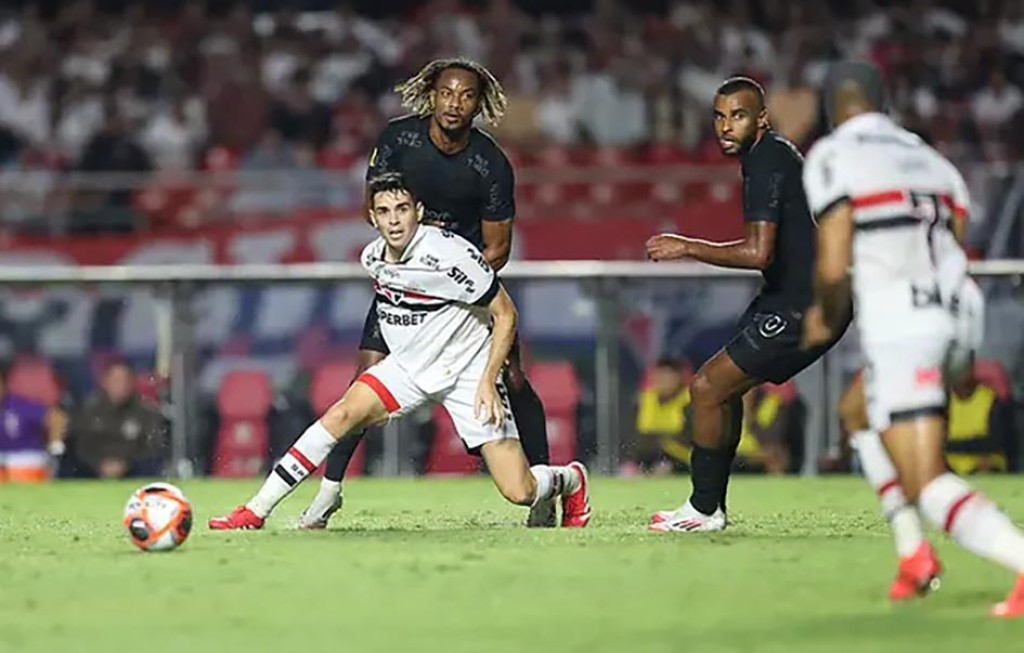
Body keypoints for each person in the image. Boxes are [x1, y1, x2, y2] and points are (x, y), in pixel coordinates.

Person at [208, 173, 590, 530]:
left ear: (418, 212)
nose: (394, 220)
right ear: (372, 218)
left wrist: (489, 380)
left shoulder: (452, 256)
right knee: (341, 414)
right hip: (408, 369)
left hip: (468, 374)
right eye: (384, 211)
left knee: (519, 490)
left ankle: (570, 479)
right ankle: (256, 510)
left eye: (402, 209)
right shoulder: (372, 257)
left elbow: (505, 313)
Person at [800, 60, 1024, 617]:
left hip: (905, 325)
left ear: (831, 107)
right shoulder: (932, 159)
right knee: (856, 412)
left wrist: (825, 317)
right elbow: (957, 237)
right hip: (957, 313)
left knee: (926, 481)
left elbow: (833, 263)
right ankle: (913, 555)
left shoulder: (833, 155)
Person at [300, 58, 556, 529]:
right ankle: (329, 492)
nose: (455, 103)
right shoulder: (399, 140)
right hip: (404, 286)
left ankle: (543, 484)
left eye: (466, 95)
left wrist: (449, 279)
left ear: (479, 104)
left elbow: (498, 249)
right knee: (362, 382)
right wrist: (415, 268)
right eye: (446, 93)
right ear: (431, 96)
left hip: (462, 294)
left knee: (514, 378)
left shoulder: (490, 163)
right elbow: (372, 207)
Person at [644, 76, 849, 532]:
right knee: (722, 390)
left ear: (762, 119)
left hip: (806, 303)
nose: (725, 126)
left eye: (738, 116)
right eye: (719, 116)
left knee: (706, 388)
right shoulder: (769, 155)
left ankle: (703, 508)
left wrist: (687, 246)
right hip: (787, 295)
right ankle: (708, 508)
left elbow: (759, 253)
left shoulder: (767, 160)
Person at [70, 360, 167, 479]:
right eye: (116, 381)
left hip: (135, 472)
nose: (121, 385)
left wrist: (125, 463)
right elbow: (80, 446)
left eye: (125, 380)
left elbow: (154, 445)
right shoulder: (88, 410)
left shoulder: (146, 411)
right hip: (92, 472)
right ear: (105, 382)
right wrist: (99, 464)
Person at [0, 368, 66, 482]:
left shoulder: (18, 405)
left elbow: (56, 417)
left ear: (4, 385)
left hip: (25, 461)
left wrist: (55, 445)